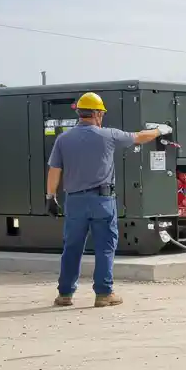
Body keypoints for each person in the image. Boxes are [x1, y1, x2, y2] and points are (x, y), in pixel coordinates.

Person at [45, 91, 170, 307]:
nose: (102, 117)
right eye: (101, 113)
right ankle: (103, 294)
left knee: (72, 247)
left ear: (80, 113)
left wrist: (50, 197)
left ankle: (65, 294)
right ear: (95, 114)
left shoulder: (63, 139)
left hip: (74, 202)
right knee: (104, 247)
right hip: (102, 201)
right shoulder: (108, 135)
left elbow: (54, 170)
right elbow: (140, 137)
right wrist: (161, 130)